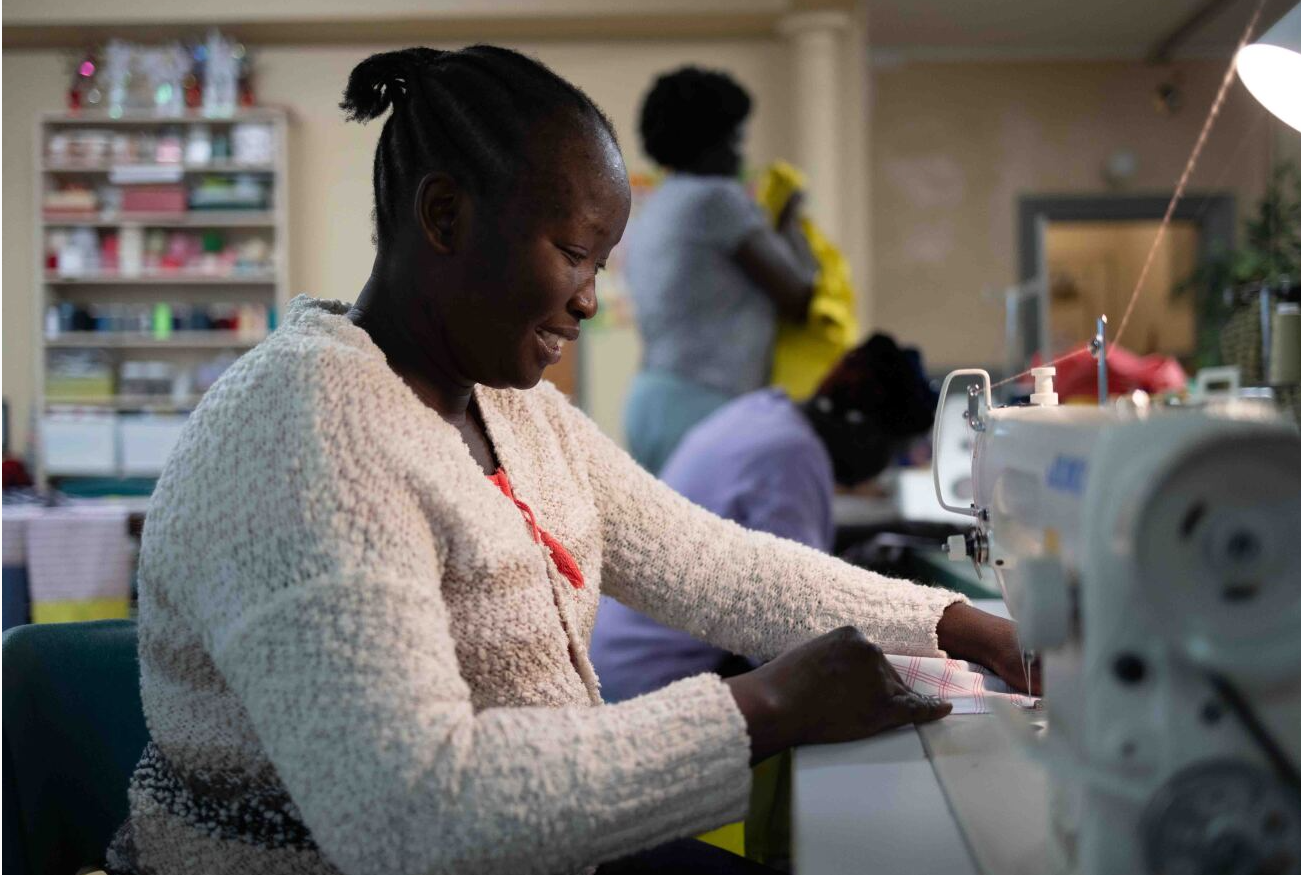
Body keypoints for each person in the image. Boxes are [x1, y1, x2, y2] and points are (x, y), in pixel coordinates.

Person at [107, 46, 1029, 875]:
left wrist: (957, 623)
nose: (592, 301)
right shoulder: (307, 432)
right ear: (443, 215)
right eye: (576, 255)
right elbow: (411, 817)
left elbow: (715, 565)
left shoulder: (513, 409)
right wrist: (763, 709)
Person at [593, 334, 939, 701]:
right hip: (653, 683)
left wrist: (901, 529)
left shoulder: (764, 411)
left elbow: (760, 547)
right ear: (866, 433)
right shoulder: (793, 456)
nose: (881, 471)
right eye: (893, 453)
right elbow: (798, 626)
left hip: (614, 654)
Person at [624, 66, 818, 474]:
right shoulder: (718, 200)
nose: (740, 154)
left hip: (654, 398)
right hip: (707, 401)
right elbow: (800, 297)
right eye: (736, 138)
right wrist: (790, 221)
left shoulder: (657, 205)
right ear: (708, 140)